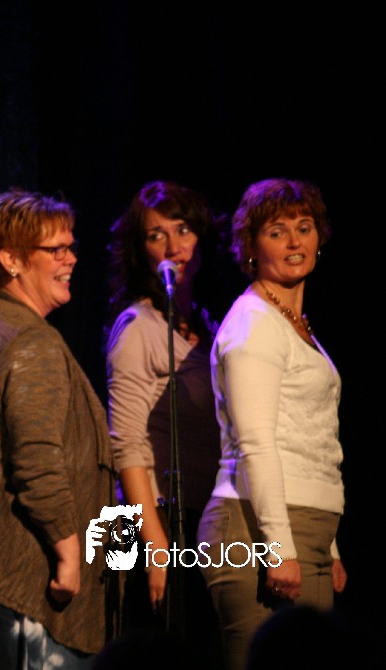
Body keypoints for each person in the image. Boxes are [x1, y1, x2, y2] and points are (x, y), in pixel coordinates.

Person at [0, 189, 114, 668]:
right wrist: (69, 553)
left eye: (71, 247)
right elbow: (37, 461)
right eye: (55, 250)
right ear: (11, 259)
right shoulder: (30, 340)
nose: (70, 259)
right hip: (28, 583)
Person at [197, 179, 346, 670]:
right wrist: (279, 547)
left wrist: (329, 546)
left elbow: (310, 437)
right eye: (277, 231)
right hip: (254, 529)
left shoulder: (294, 325)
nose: (294, 241)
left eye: (304, 227)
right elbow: (258, 443)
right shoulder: (254, 324)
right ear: (251, 247)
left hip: (307, 527)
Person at [104, 181, 222, 643]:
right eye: (157, 235)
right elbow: (126, 445)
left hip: (201, 518)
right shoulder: (138, 326)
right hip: (152, 521)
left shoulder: (209, 328)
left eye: (183, 230)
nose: (174, 247)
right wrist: (156, 548)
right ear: (141, 250)